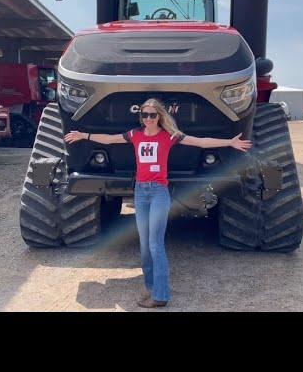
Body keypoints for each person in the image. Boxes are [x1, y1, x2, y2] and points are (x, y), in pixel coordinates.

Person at [64, 98, 251, 308]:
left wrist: (229, 143)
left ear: (159, 117)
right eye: (145, 115)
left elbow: (201, 142)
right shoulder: (135, 135)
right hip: (140, 193)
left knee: (155, 244)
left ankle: (160, 296)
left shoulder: (169, 136)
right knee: (144, 246)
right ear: (141, 117)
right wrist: (83, 135)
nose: (149, 119)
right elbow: (109, 139)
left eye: (153, 115)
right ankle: (152, 288)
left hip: (159, 194)